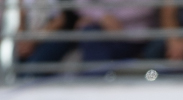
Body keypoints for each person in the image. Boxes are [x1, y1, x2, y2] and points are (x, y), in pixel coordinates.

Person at [21, 0, 152, 65]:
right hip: (101, 32)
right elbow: (80, 2)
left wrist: (106, 18)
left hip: (138, 38)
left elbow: (150, 6)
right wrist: (102, 17)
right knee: (88, 31)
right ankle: (96, 81)